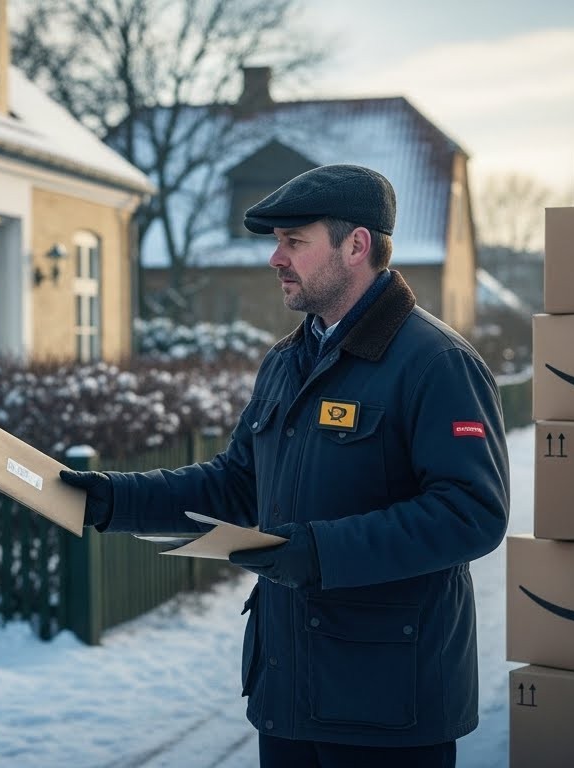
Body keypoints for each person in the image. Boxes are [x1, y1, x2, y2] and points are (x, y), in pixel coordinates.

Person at [61, 164, 509, 768]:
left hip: (388, 705)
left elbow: (470, 514)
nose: (276, 258)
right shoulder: (288, 360)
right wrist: (112, 499)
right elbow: (237, 482)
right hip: (289, 690)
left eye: (294, 241)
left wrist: (320, 551)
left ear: (357, 245)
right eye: (278, 242)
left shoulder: (436, 363)